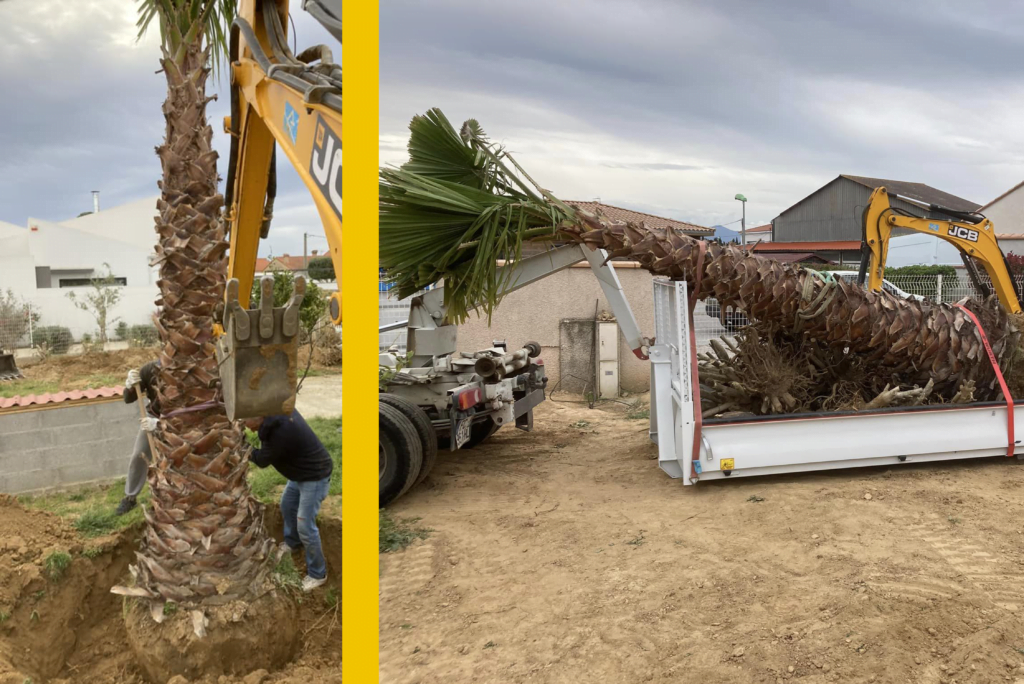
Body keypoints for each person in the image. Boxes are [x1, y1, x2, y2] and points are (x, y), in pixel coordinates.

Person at [244, 410, 333, 592]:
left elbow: (261, 460)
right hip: (299, 474)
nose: (248, 428)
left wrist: (242, 446)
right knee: (287, 505)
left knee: (305, 525)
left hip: (314, 476)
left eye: (248, 423)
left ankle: (318, 574)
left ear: (260, 417)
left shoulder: (280, 432)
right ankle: (293, 543)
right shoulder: (278, 411)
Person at [115, 360, 162, 516]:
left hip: (181, 422)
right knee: (139, 455)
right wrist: (130, 385)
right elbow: (129, 398)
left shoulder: (186, 371)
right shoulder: (150, 369)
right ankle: (130, 497)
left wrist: (161, 424)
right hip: (153, 416)